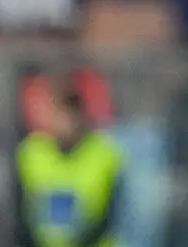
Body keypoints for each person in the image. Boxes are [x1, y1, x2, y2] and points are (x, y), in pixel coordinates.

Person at [13, 77, 124, 247]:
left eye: (69, 112)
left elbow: (113, 217)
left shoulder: (104, 154)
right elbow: (21, 216)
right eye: (58, 112)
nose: (64, 121)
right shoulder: (31, 153)